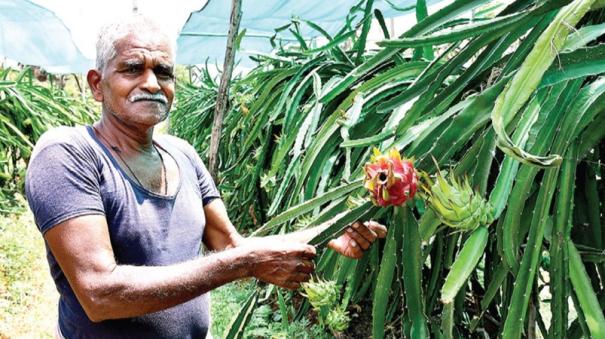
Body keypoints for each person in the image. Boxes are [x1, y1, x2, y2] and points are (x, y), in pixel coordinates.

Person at [25, 15, 386, 338]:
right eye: (133, 69)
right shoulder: (68, 153)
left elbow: (230, 245)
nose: (152, 83)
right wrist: (243, 265)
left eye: (164, 72)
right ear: (96, 84)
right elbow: (100, 293)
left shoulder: (182, 155)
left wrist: (326, 234)